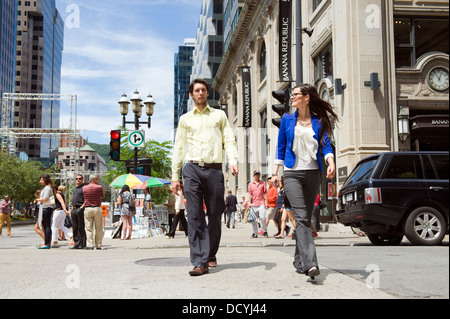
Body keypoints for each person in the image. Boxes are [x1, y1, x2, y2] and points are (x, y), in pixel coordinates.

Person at [171, 78, 238, 276]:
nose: (200, 93)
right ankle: (200, 261)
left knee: (215, 213)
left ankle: (210, 253)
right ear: (191, 95)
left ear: (207, 94)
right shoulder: (185, 119)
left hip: (214, 169)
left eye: (203, 90)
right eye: (197, 90)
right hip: (191, 169)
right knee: (194, 216)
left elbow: (229, 139)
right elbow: (179, 148)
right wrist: (175, 175)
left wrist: (233, 160)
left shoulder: (219, 115)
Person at [272, 83, 338, 279]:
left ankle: (299, 261)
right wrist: (275, 171)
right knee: (301, 218)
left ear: (306, 97)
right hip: (292, 173)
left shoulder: (319, 121)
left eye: (295, 95)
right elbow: (281, 145)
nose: (291, 98)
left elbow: (325, 144)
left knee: (304, 218)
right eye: (291, 95)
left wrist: (331, 162)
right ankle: (311, 264)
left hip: (313, 174)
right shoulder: (287, 119)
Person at [82, 174, 104, 250]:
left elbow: (84, 197)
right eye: (97, 179)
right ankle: (98, 244)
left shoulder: (84, 188)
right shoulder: (99, 187)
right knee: (98, 228)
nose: (98, 180)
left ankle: (90, 245)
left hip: (87, 208)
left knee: (88, 228)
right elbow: (101, 196)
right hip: (97, 208)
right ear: (94, 179)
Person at [36, 174, 57, 249]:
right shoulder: (46, 188)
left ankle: (47, 243)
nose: (40, 181)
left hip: (47, 208)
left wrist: (38, 200)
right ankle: (46, 242)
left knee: (46, 225)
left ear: (45, 180)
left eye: (41, 180)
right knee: (45, 225)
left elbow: (45, 198)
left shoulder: (47, 188)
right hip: (45, 208)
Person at [248, 170, 268, 238]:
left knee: (262, 218)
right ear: (254, 176)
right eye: (256, 174)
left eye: (258, 174)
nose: (257, 176)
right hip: (254, 203)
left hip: (261, 203)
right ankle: (254, 233)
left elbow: (265, 193)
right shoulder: (251, 184)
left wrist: (267, 202)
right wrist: (249, 202)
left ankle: (264, 231)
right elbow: (250, 194)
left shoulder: (263, 183)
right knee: (254, 220)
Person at [70, 174, 87, 249]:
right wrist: (72, 207)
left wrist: (82, 207)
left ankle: (82, 243)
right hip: (74, 209)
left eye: (80, 178)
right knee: (75, 227)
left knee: (81, 226)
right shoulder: (75, 188)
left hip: (80, 208)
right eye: (76, 178)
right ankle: (76, 243)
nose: (78, 180)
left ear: (82, 179)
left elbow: (86, 198)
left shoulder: (84, 188)